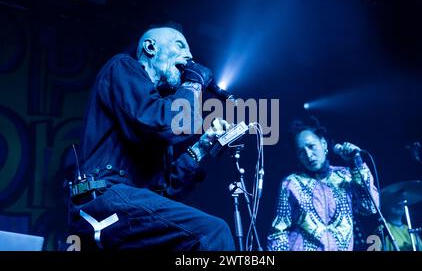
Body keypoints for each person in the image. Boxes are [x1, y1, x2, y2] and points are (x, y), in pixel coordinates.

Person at [67, 24, 235, 251]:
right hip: (104, 200)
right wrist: (193, 83)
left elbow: (165, 191)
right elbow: (167, 121)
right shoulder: (122, 67)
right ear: (150, 47)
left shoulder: (156, 108)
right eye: (179, 45)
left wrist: (203, 146)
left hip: (128, 207)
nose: (190, 56)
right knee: (212, 232)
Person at [267, 118, 379, 251]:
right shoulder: (291, 183)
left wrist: (357, 164)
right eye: (301, 152)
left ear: (324, 144)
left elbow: (369, 207)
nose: (308, 155)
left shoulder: (345, 176)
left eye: (311, 146)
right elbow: (278, 231)